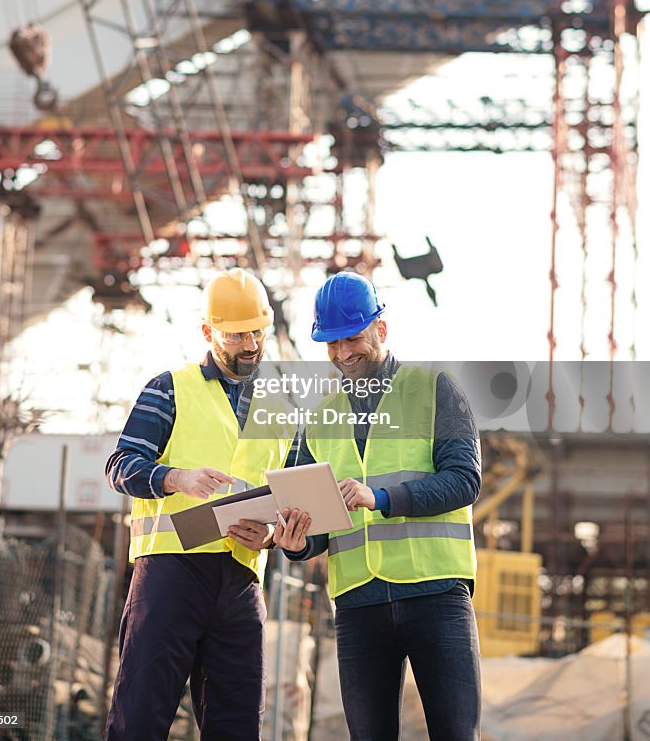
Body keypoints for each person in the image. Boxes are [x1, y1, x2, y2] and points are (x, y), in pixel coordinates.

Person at [275, 271, 482, 741]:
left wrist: (382, 499)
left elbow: (465, 480)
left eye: (353, 339)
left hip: (436, 594)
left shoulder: (436, 390)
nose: (343, 353)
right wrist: (295, 543)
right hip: (358, 604)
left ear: (380, 330)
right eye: (332, 343)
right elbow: (313, 522)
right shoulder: (320, 417)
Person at [104, 268, 293, 741]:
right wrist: (176, 478)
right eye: (236, 335)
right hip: (170, 577)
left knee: (237, 727)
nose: (250, 344)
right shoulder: (170, 388)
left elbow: (290, 495)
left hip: (242, 583)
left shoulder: (283, 409)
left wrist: (271, 534)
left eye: (257, 332)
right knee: (140, 719)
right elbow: (120, 464)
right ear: (209, 333)